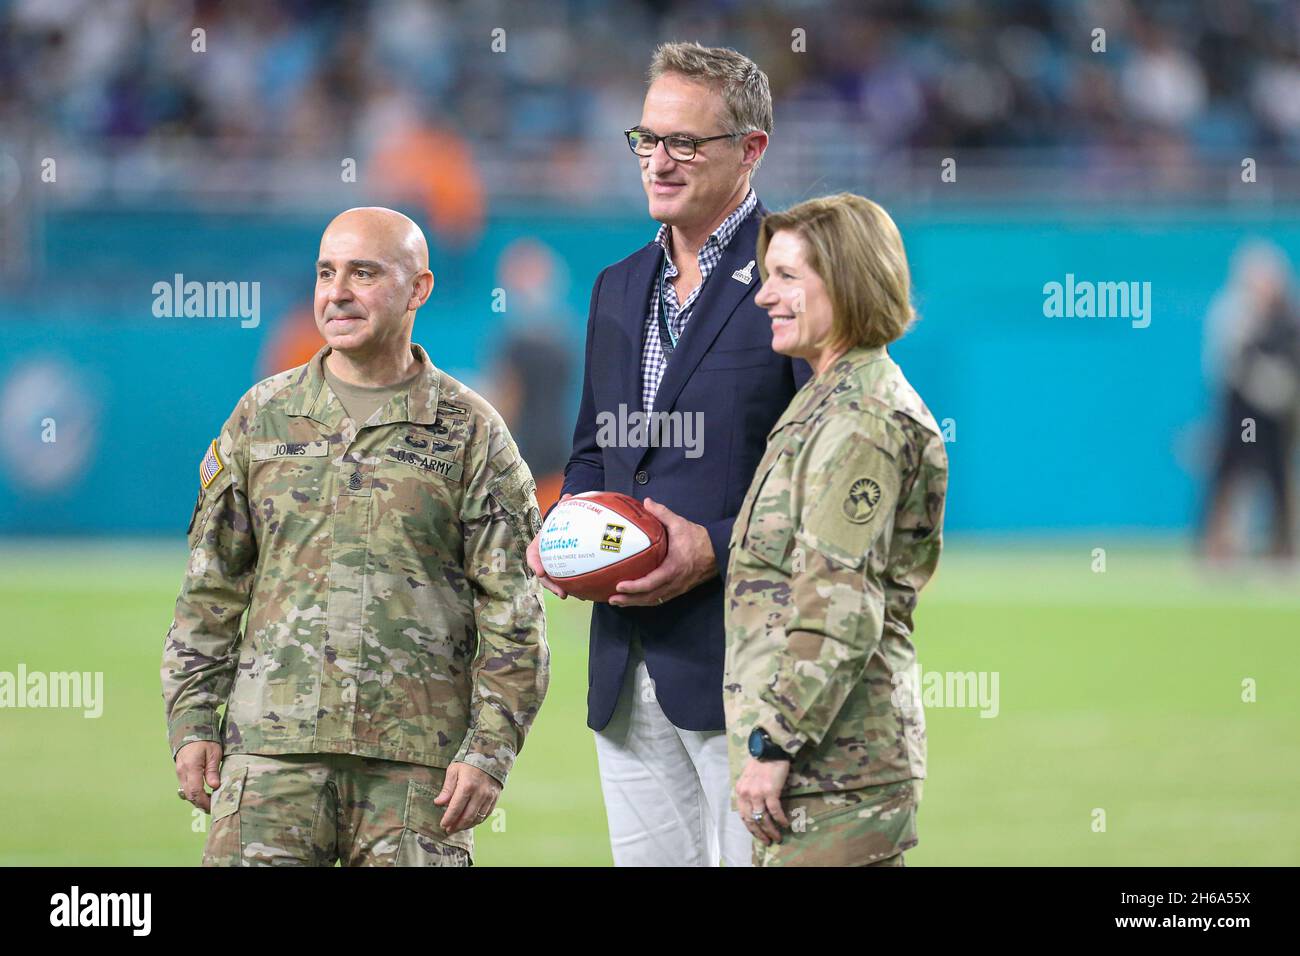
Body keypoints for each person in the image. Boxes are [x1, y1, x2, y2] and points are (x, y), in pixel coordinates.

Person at [162, 206, 548, 866]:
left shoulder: (471, 430)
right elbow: (211, 588)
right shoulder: (262, 415)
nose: (336, 292)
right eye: (325, 272)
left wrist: (488, 751)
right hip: (268, 762)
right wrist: (195, 720)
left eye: (363, 273)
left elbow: (515, 613)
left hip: (415, 775)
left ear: (418, 289)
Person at [526, 42, 810, 867]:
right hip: (625, 665)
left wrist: (712, 546)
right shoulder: (615, 284)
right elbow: (595, 453)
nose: (659, 160)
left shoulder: (798, 270)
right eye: (647, 139)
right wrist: (567, 530)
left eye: (686, 143)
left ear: (751, 149)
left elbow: (819, 476)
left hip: (751, 668)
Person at [726, 193, 948, 867]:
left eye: (788, 276)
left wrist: (775, 744)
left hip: (835, 770)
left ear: (848, 282)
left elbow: (840, 601)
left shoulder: (861, 418)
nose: (765, 295)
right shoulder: (825, 399)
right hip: (822, 765)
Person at [1199, 239, 1300, 562]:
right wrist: (1261, 382)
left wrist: (1281, 390)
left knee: (1278, 478)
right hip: (1241, 412)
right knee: (1229, 477)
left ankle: (1281, 547)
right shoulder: (1233, 314)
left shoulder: (1287, 317)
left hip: (1276, 417)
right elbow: (1227, 365)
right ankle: (1219, 545)